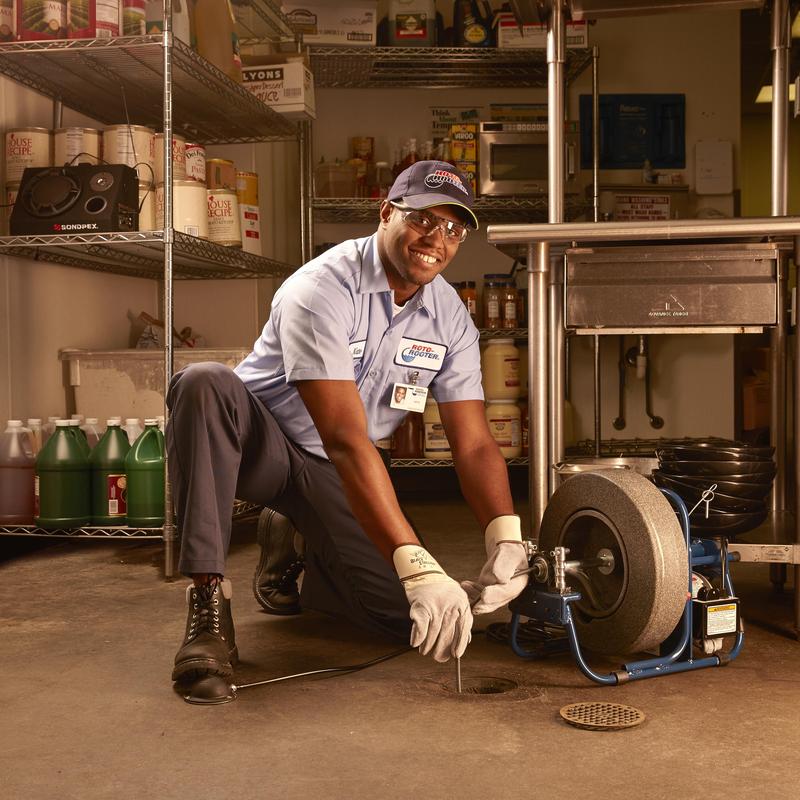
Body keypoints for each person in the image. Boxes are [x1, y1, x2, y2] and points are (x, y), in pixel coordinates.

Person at [167, 160, 528, 693]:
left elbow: (473, 443)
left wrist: (505, 537)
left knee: (404, 619)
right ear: (386, 213)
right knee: (203, 383)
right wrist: (419, 566)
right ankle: (208, 607)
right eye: (423, 219)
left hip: (332, 467)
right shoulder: (322, 288)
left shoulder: (449, 316)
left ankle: (299, 543)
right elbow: (344, 438)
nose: (437, 239)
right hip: (258, 449)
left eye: (454, 229)